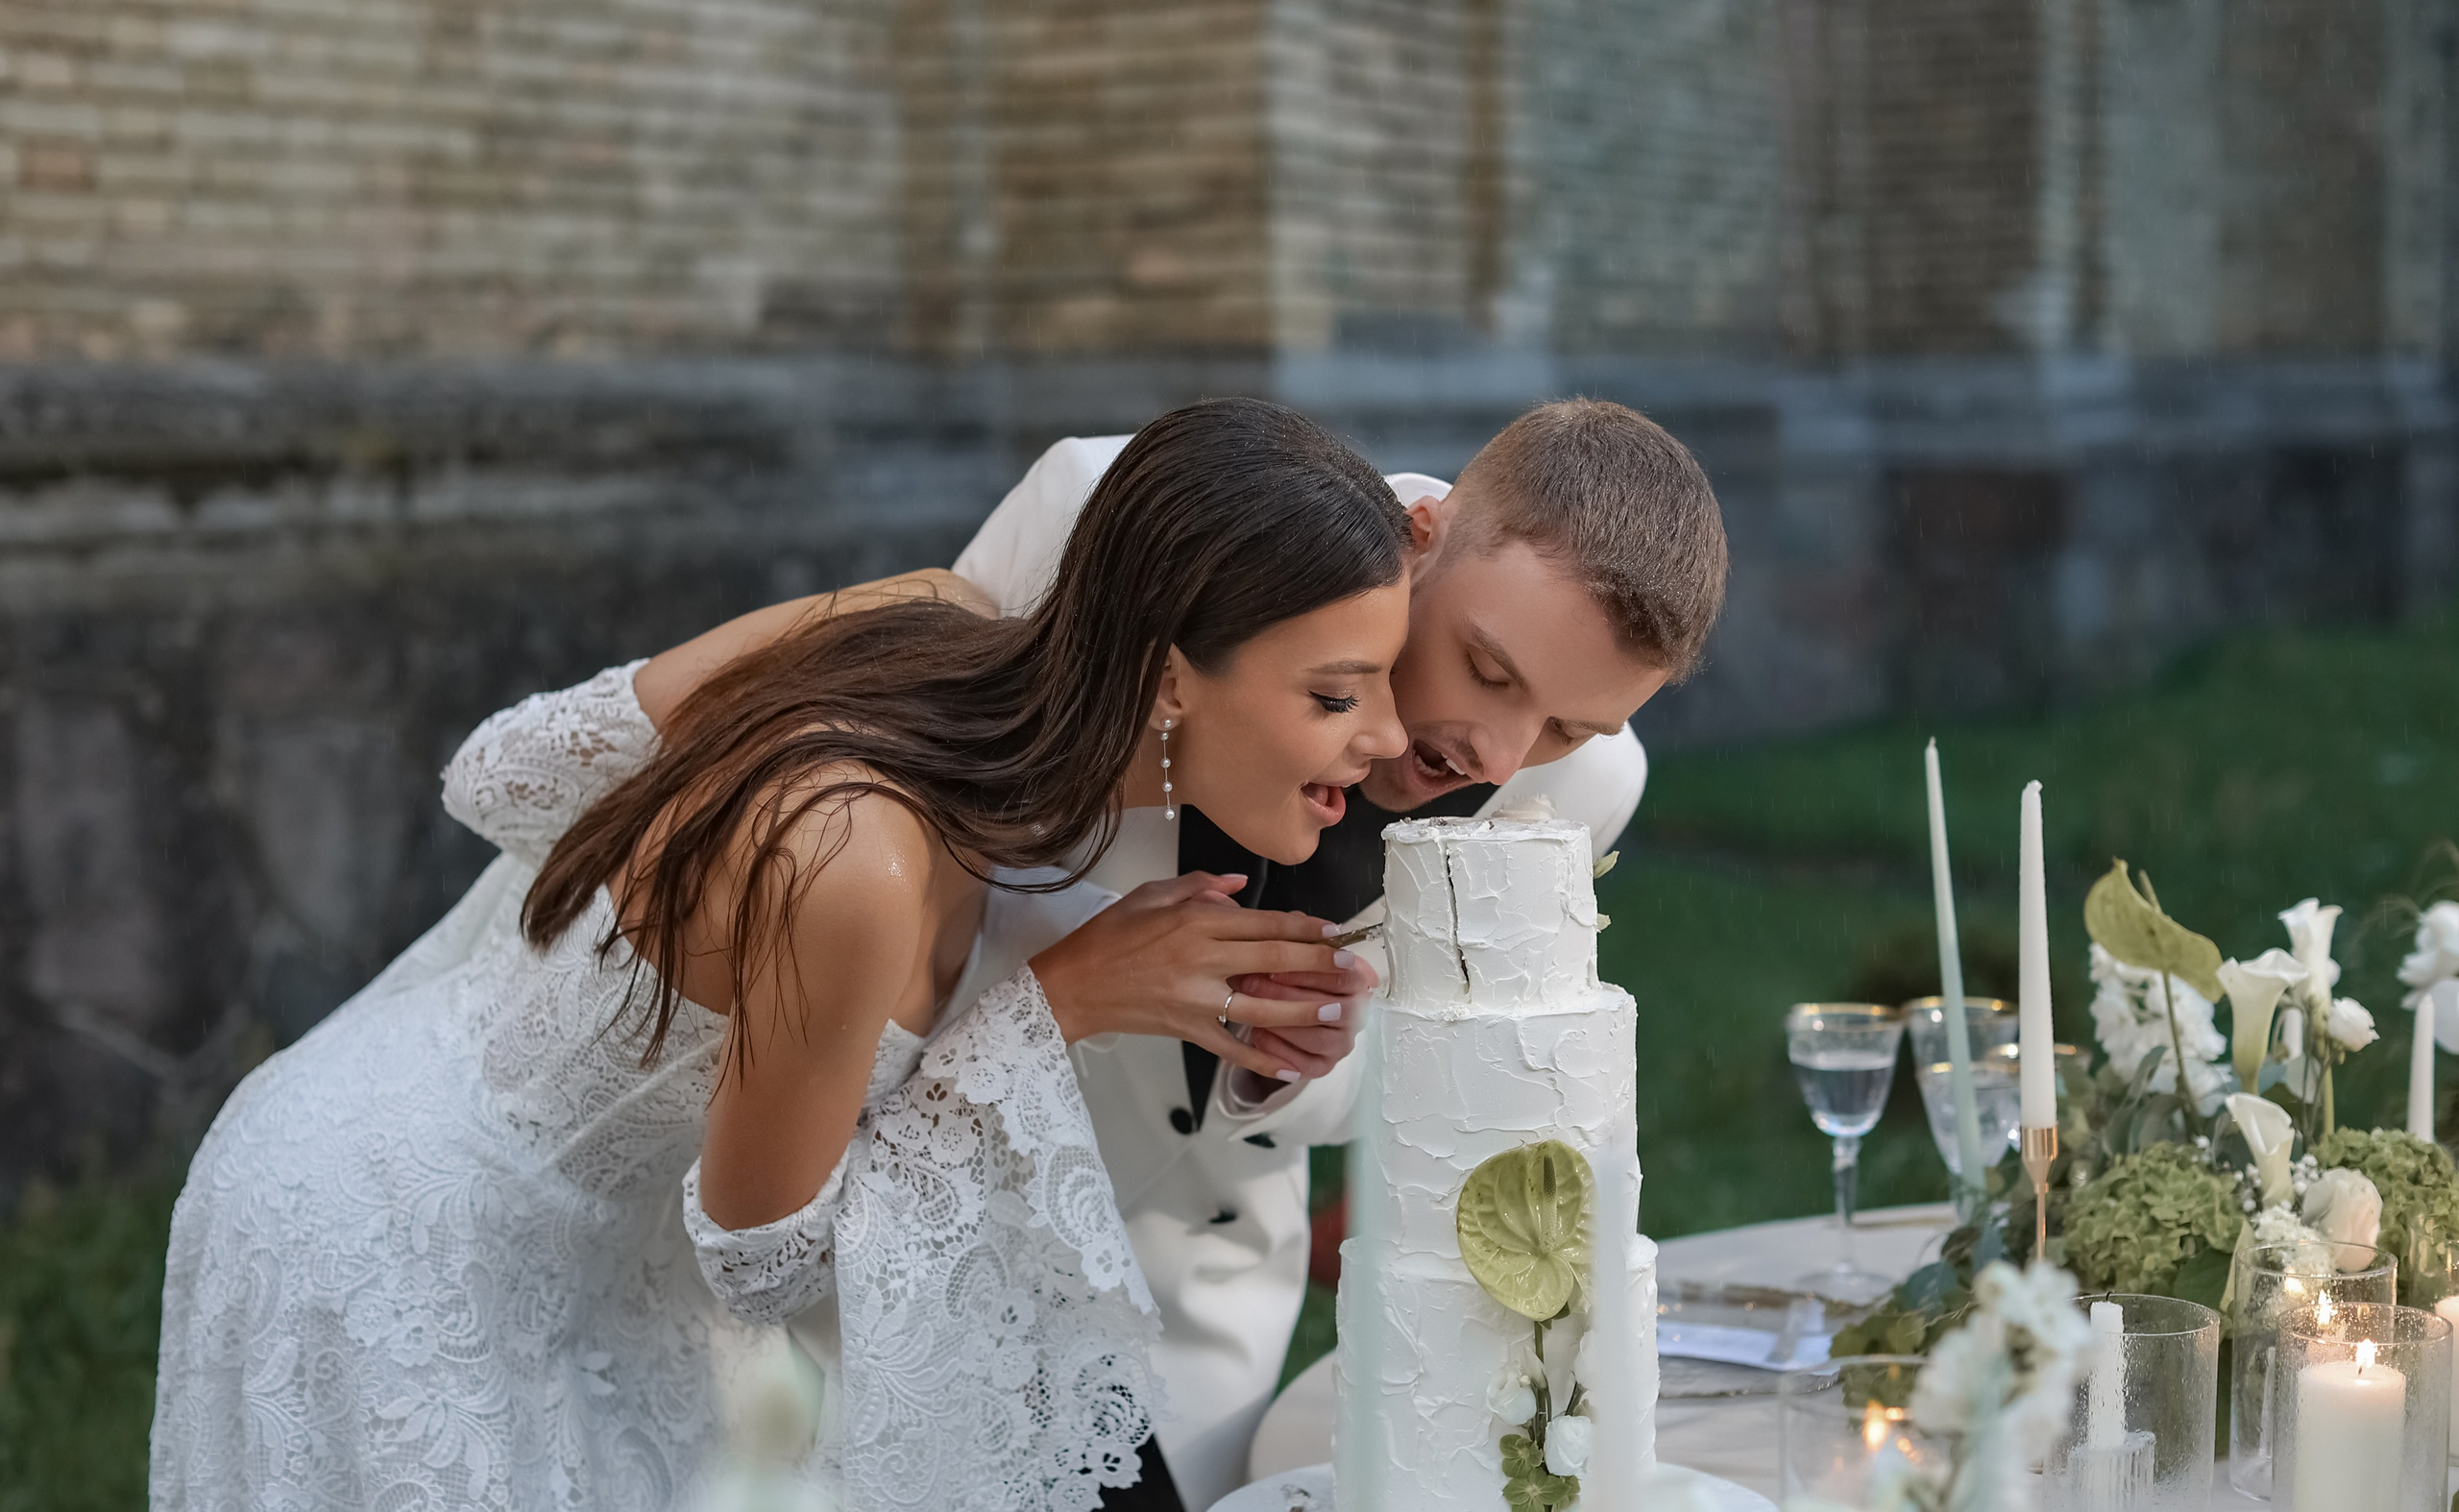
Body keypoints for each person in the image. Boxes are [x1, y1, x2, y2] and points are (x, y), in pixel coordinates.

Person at [150, 402, 1410, 1512]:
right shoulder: (860, 853)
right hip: (396, 1230)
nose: (1391, 736)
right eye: (1339, 694)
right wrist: (1056, 1009)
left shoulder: (1001, 729)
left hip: (618, 1258)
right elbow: (762, 1264)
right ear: (1169, 676)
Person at [958, 398, 1730, 1508]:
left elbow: (1418, 1077)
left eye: (1567, 727)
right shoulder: (1105, 509)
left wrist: (1292, 1060)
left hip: (1193, 1318)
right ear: (1426, 534)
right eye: (1488, 670)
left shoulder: (1585, 793)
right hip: (937, 1224)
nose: (1497, 755)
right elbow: (926, 811)